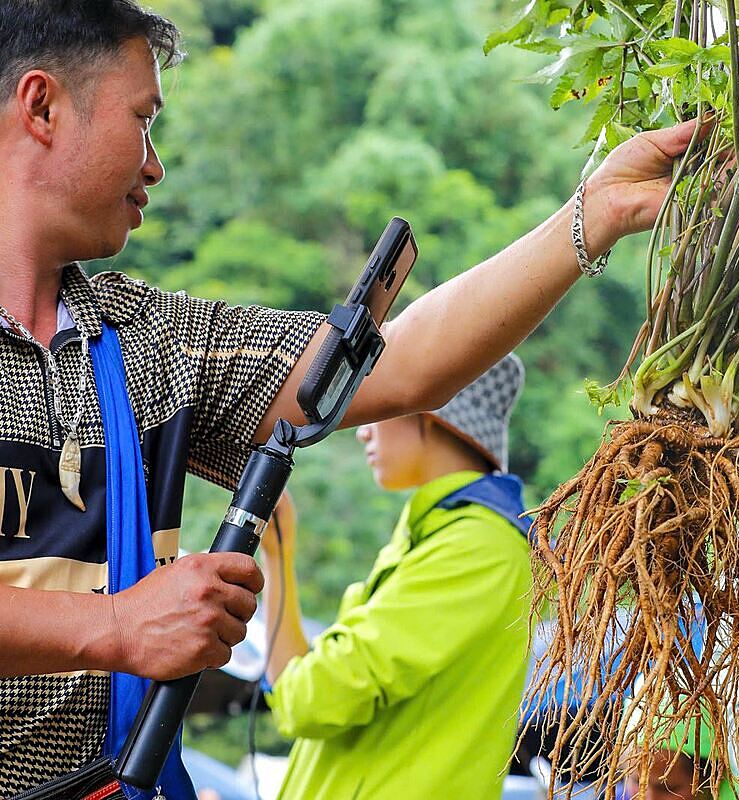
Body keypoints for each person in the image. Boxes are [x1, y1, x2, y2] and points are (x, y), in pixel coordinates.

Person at [0, 1, 698, 794]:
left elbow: (389, 367)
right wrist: (117, 627)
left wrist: (594, 215)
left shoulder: (145, 343)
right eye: (143, 119)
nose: (155, 164)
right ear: (42, 105)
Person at [258, 354, 532, 798]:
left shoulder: (476, 548)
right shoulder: (436, 535)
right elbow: (298, 691)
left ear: (426, 407)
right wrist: (278, 556)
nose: (363, 427)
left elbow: (308, 702)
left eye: (380, 403)